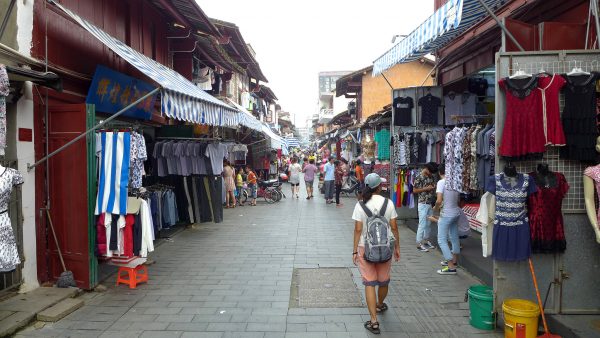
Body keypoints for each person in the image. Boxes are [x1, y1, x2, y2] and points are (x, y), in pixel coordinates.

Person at [352, 173, 400, 335]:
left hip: (365, 248)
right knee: (383, 280)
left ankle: (373, 321)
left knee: (370, 283)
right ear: (379, 186)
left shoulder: (360, 204)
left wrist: (354, 250)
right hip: (386, 247)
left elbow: (358, 229)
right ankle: (380, 304)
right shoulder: (389, 203)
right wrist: (398, 247)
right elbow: (394, 227)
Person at [433, 165, 461, 274]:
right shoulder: (455, 180)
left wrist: (435, 210)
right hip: (456, 212)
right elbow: (458, 199)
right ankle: (454, 261)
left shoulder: (441, 182)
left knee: (441, 240)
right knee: (454, 237)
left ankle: (450, 267)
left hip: (446, 214)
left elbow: (439, 200)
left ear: (440, 173)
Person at [413, 162, 438, 252]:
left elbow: (431, 187)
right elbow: (415, 190)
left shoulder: (431, 176)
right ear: (426, 169)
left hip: (429, 203)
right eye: (430, 172)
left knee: (428, 224)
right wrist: (426, 189)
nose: (431, 174)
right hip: (422, 203)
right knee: (422, 224)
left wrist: (433, 187)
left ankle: (426, 240)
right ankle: (418, 243)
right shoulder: (419, 176)